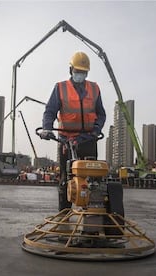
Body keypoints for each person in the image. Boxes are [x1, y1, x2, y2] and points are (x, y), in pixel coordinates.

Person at [40, 51, 106, 211]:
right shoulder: (60, 88)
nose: (80, 75)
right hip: (66, 141)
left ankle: (92, 213)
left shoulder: (94, 88)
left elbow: (101, 114)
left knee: (93, 179)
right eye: (78, 71)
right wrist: (47, 128)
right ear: (71, 70)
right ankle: (64, 213)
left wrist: (96, 130)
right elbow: (50, 111)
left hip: (89, 139)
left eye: (83, 72)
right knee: (65, 179)